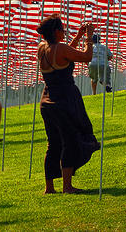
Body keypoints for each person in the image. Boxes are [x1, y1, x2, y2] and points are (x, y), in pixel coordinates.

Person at [37, 16, 100, 194]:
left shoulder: (42, 48)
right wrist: (89, 37)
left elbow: (65, 54)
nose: (65, 32)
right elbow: (86, 57)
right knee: (70, 141)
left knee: (53, 143)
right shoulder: (61, 48)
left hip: (47, 101)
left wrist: (78, 36)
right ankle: (67, 186)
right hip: (64, 100)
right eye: (63, 29)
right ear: (56, 32)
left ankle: (49, 187)